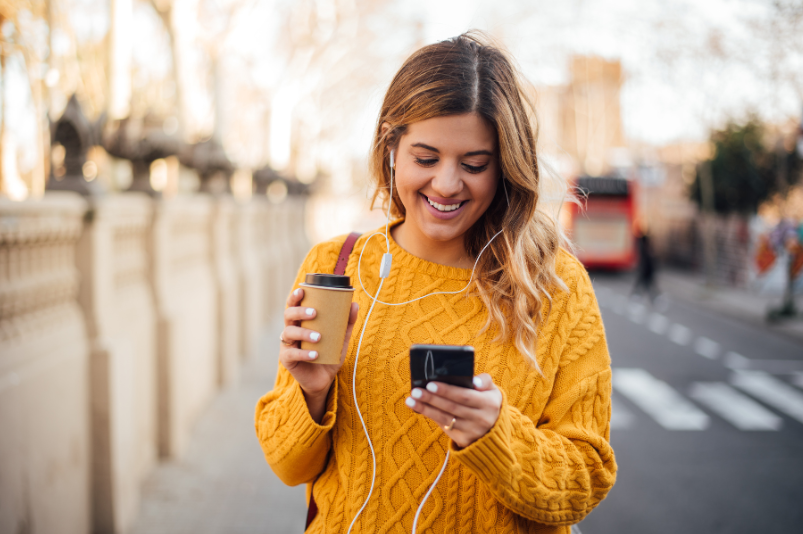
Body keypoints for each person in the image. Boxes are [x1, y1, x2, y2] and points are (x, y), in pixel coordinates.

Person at [255, 32, 616, 533]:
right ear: (391, 147)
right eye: (425, 159)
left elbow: (586, 480)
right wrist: (312, 394)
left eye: (474, 165)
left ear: (506, 166)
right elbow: (287, 464)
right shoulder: (336, 266)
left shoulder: (554, 285)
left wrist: (495, 435)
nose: (447, 185)